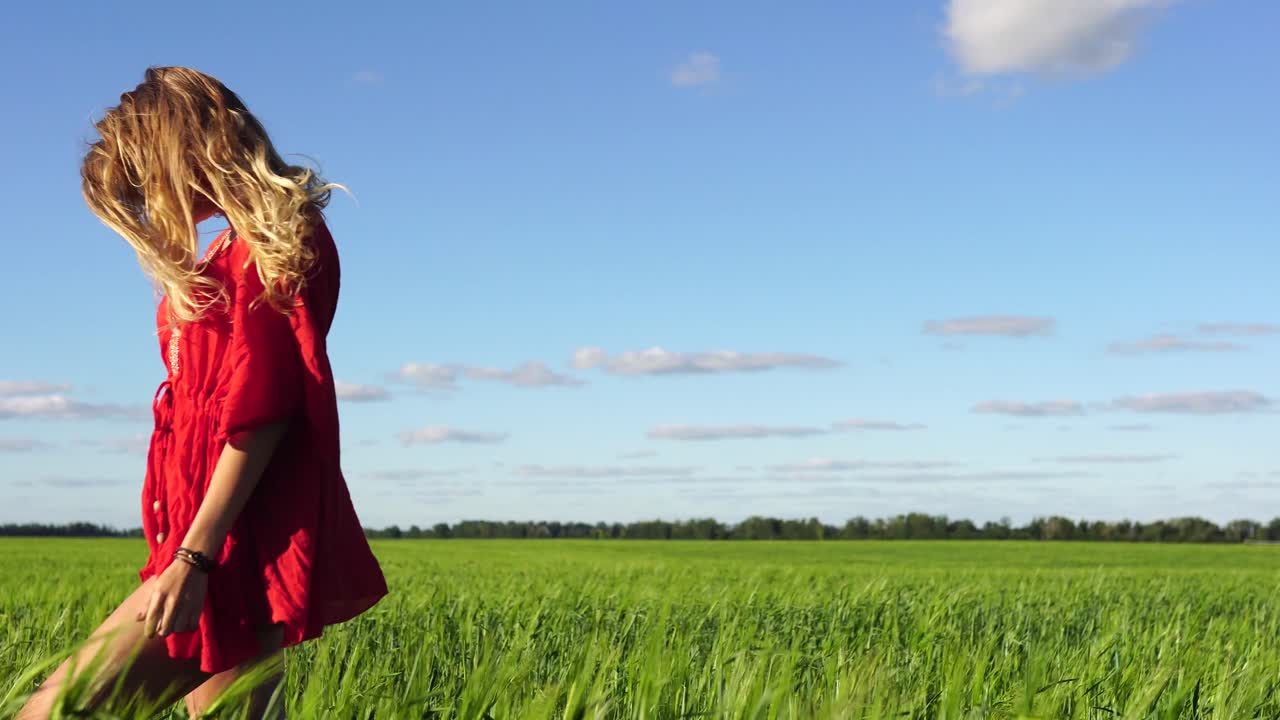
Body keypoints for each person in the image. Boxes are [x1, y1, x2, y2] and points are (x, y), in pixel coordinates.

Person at [18, 66, 389, 719]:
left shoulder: (275, 242)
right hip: (204, 538)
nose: (145, 201)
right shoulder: (226, 251)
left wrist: (197, 556)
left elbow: (265, 409)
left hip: (229, 546)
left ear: (186, 151)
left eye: (145, 178)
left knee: (53, 709)